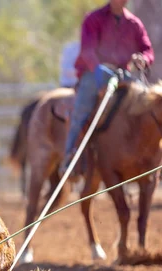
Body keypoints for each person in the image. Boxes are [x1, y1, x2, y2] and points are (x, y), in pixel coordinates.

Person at [59, 0, 154, 175]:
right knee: (81, 110)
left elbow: (147, 49)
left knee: (148, 104)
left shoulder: (134, 23)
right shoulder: (93, 19)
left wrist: (143, 59)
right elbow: (88, 51)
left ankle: (155, 155)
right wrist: (99, 71)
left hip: (123, 74)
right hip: (93, 72)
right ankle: (70, 156)